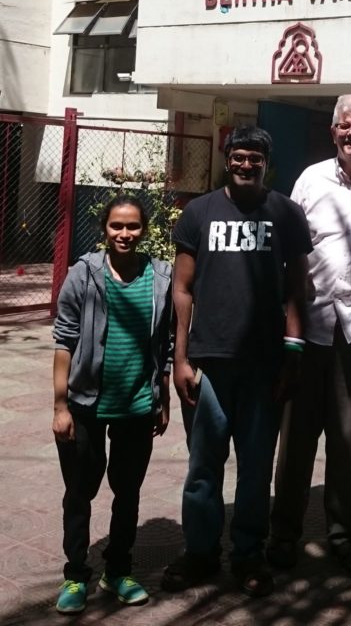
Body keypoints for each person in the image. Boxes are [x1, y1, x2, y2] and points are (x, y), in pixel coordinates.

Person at [161, 125, 311, 598]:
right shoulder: (199, 212)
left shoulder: (286, 213)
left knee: (255, 467)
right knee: (204, 464)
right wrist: (179, 358)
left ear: (267, 162)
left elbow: (297, 290)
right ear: (228, 159)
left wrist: (292, 355)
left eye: (255, 158)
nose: (246, 164)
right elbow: (182, 289)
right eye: (239, 157)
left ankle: (249, 553)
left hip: (265, 365)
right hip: (209, 365)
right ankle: (201, 552)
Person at [268, 94, 351, 573]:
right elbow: (288, 252)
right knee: (296, 441)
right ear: (332, 132)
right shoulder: (310, 180)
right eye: (344, 126)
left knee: (348, 443)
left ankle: (344, 537)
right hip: (311, 327)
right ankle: (283, 534)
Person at [52, 195, 172, 615]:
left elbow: (166, 343)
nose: (125, 234)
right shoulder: (84, 274)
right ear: (104, 228)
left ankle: (118, 569)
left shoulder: (160, 276)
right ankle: (75, 574)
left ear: (144, 229)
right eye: (117, 226)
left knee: (128, 491)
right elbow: (64, 339)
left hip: (138, 404)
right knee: (80, 491)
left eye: (133, 226)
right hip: (85, 404)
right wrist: (60, 405)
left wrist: (163, 394)